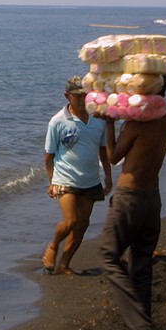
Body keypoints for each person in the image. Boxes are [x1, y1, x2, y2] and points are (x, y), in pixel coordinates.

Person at [99, 77, 166, 330]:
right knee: (141, 262)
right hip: (152, 197)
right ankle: (144, 325)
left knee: (108, 256)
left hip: (129, 198)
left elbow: (114, 157)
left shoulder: (135, 125)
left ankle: (138, 324)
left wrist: (109, 122)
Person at [42, 76, 110, 275]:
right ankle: (53, 246)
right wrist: (52, 181)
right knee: (71, 220)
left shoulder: (98, 120)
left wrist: (108, 176)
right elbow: (49, 156)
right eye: (77, 96)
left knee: (82, 224)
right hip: (65, 178)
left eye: (85, 95)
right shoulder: (58, 121)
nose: (82, 100)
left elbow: (103, 150)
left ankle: (65, 264)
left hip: (90, 179)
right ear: (67, 96)